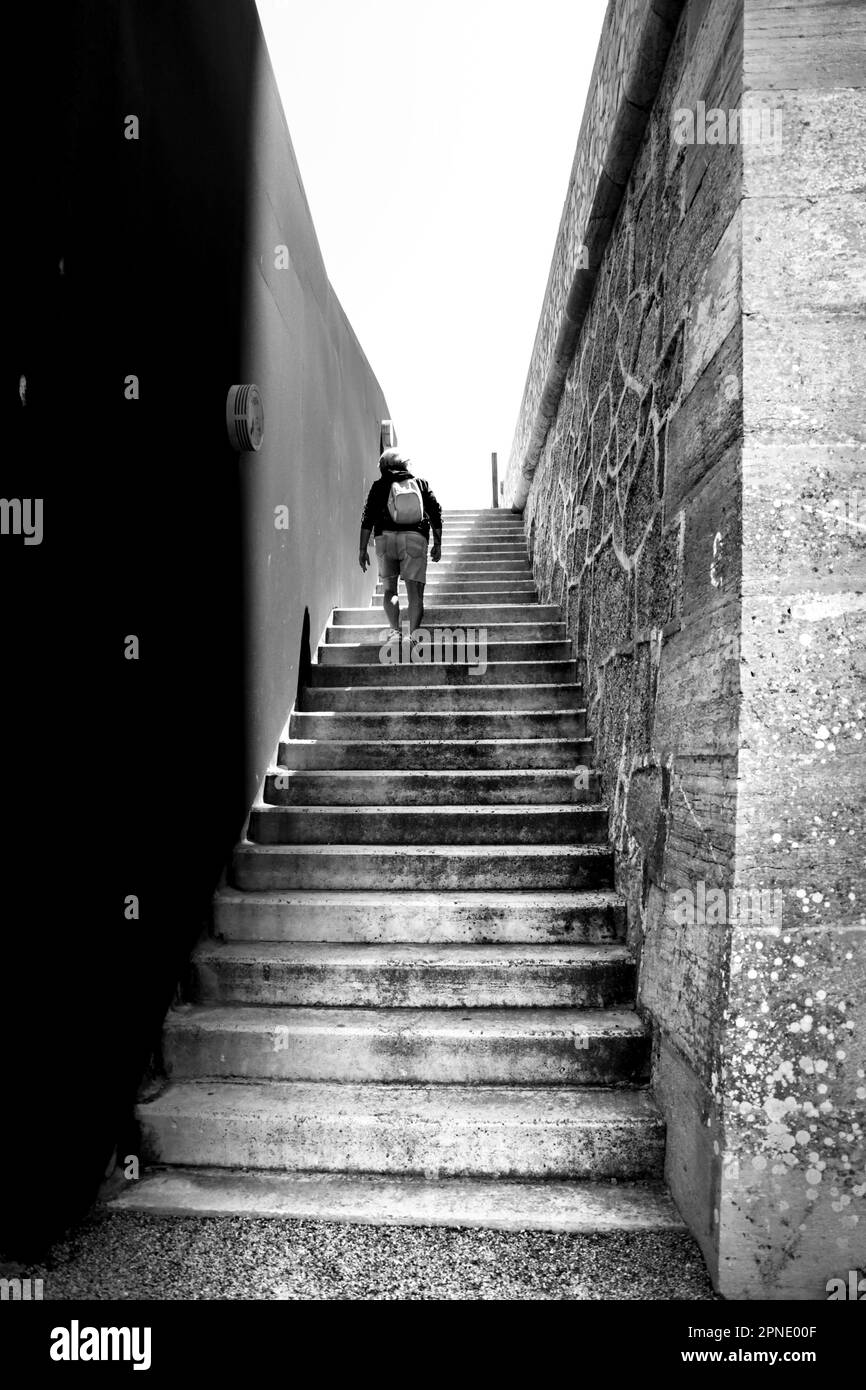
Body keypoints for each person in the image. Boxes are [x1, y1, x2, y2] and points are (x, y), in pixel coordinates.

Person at [359, 448, 442, 638]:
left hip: (385, 539)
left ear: (383, 466)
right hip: (415, 538)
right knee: (415, 595)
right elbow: (435, 513)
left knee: (389, 590)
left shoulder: (379, 486)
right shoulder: (420, 484)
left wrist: (362, 549)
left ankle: (395, 632)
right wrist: (438, 543)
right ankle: (413, 638)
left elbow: (368, 518)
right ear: (405, 464)